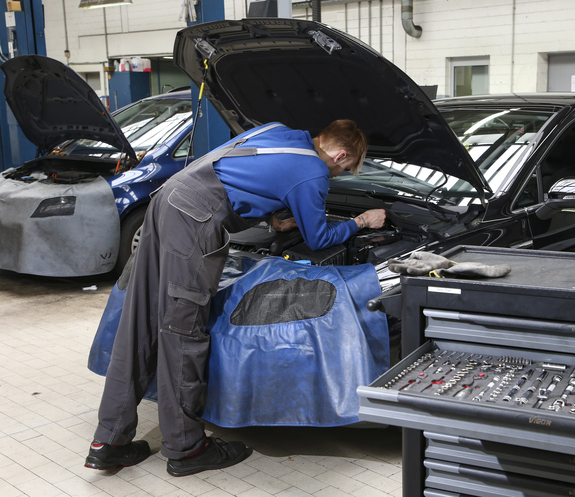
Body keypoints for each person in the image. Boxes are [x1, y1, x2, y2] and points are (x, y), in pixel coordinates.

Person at [85, 120, 386, 476]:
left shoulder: (279, 131)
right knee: (182, 330)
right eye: (345, 168)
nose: (339, 174)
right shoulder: (313, 173)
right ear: (340, 155)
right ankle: (186, 449)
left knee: (142, 319)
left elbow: (245, 171)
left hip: (168, 200)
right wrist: (362, 222)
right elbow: (319, 239)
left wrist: (273, 218)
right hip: (195, 218)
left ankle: (109, 441)